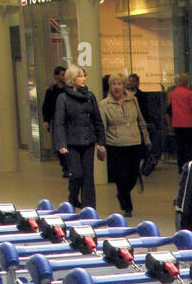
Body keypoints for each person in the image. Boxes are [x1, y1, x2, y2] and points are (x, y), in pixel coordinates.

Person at [52, 64, 105, 210]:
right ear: (72, 79)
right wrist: (61, 143)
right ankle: (73, 198)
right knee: (76, 174)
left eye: (84, 76)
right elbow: (59, 122)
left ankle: (89, 209)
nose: (83, 79)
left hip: (88, 141)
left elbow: (97, 119)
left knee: (88, 177)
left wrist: (101, 141)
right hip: (71, 143)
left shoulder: (90, 96)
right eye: (80, 76)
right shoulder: (63, 98)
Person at [100, 72, 151, 216]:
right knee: (121, 176)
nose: (116, 87)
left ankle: (122, 193)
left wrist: (147, 139)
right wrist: (101, 145)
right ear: (110, 86)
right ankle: (126, 205)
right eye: (113, 84)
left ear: (124, 86)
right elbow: (102, 126)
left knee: (133, 174)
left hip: (134, 143)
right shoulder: (104, 104)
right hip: (115, 145)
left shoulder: (133, 100)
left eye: (119, 84)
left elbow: (141, 121)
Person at [166, 72, 192, 172]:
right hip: (189, 124)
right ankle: (189, 167)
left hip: (177, 124)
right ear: (188, 82)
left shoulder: (172, 94)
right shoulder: (190, 94)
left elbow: (169, 110)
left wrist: (169, 123)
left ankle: (180, 166)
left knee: (180, 147)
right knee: (189, 147)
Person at [42, 65, 70, 179]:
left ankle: (69, 168)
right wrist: (46, 120)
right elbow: (46, 106)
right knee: (59, 146)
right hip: (56, 120)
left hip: (68, 120)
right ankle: (65, 166)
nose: (64, 77)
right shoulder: (51, 91)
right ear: (56, 76)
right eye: (62, 75)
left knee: (69, 144)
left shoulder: (69, 90)